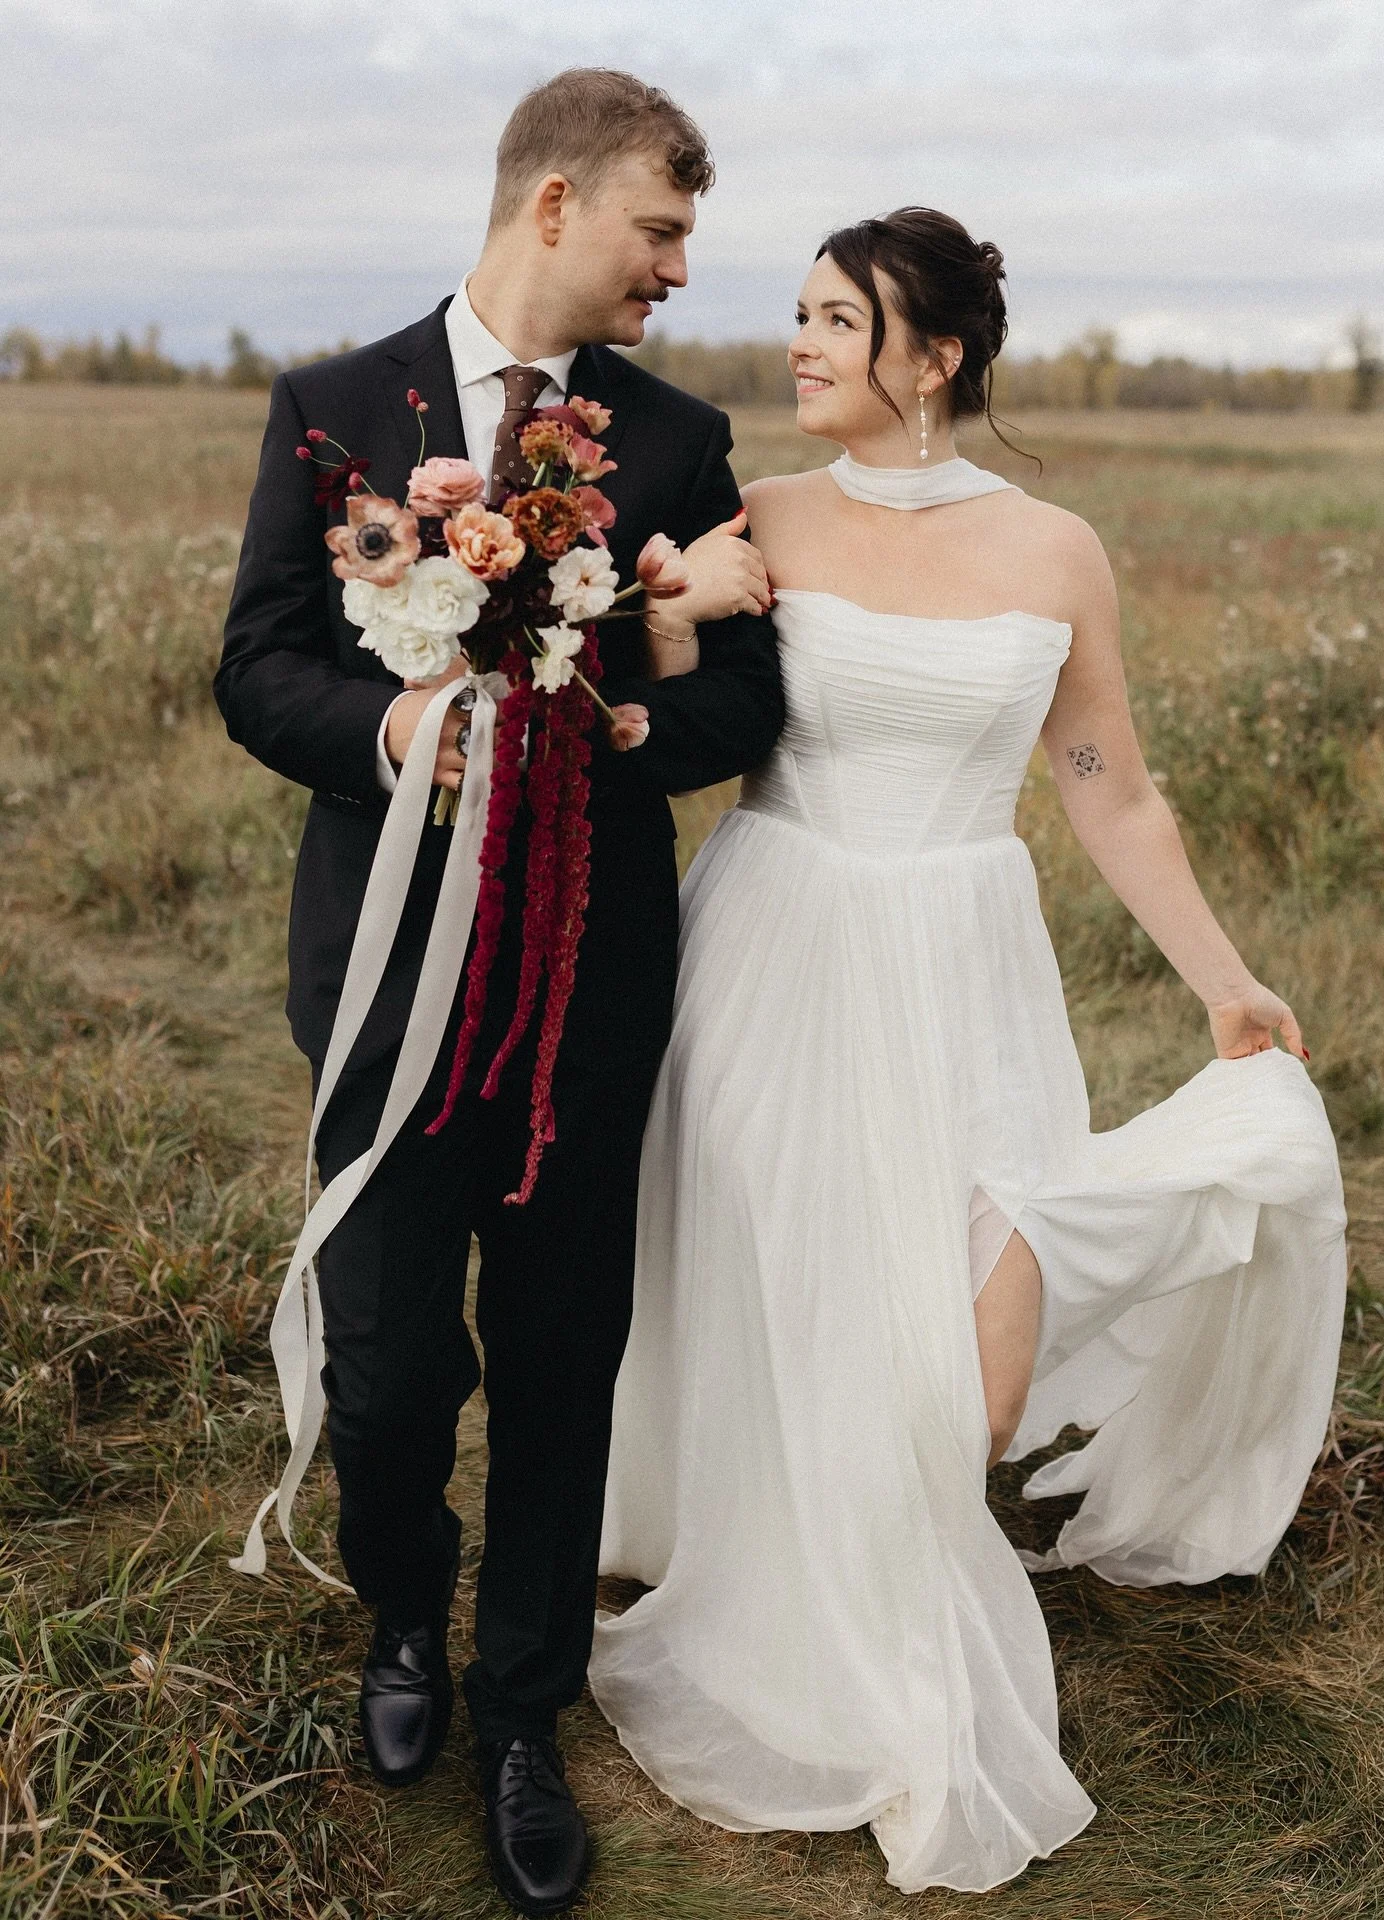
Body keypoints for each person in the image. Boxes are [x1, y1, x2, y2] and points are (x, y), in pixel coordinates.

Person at [590, 207, 1348, 1896]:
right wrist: (662, 611)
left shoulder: (1055, 549)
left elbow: (1109, 787)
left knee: (980, 1302)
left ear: (932, 357)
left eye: (837, 323)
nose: (798, 346)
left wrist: (1223, 977)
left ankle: (902, 1524)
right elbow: (666, 715)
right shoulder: (757, 514)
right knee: (786, 1264)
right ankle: (774, 1556)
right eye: (796, 315)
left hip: (967, 950)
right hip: (782, 926)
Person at [215, 68, 783, 1919]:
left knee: (559, 1360)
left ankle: (527, 1705)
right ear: (554, 205)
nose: (681, 270)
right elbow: (260, 667)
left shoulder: (679, 441)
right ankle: (401, 1612)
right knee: (388, 1372)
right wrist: (396, 723)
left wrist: (615, 720)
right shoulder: (334, 412)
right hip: (385, 983)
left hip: (586, 984)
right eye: (659, 230)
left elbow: (738, 701)